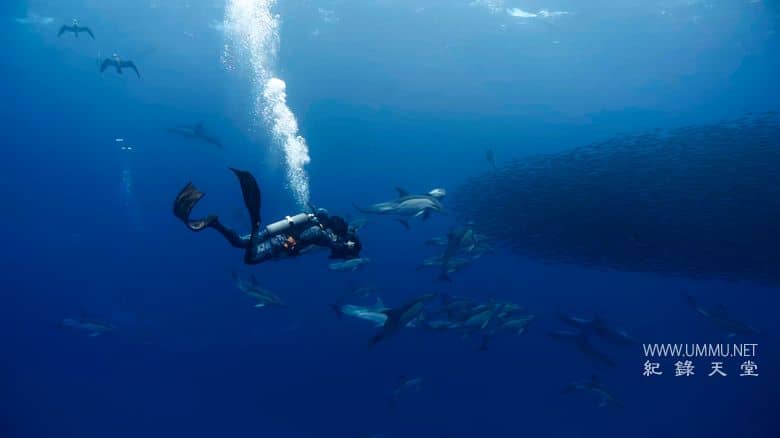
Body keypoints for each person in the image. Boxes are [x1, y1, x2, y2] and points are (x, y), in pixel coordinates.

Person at [173, 168, 362, 264]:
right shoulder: (327, 236)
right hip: (281, 241)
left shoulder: (319, 220)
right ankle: (253, 225)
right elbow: (328, 242)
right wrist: (344, 246)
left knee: (239, 243)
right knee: (250, 259)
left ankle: (215, 223)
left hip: (280, 230)